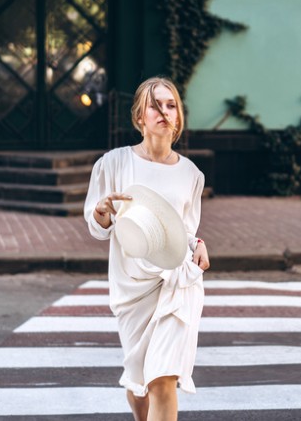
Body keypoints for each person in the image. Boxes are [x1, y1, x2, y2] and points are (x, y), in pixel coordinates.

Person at [84, 76, 210, 421]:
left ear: (178, 118)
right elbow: (97, 228)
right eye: (154, 105)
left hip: (177, 284)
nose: (163, 112)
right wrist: (102, 212)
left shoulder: (191, 174)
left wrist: (197, 244)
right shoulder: (114, 163)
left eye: (170, 105)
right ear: (140, 117)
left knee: (163, 380)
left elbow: (185, 231)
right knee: (139, 381)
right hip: (132, 288)